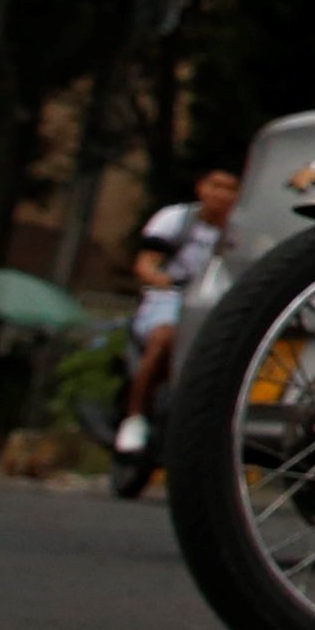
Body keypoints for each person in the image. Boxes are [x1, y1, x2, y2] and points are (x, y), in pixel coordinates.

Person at [110, 168, 238, 467]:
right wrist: (160, 279)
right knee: (164, 337)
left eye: (229, 188)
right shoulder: (175, 220)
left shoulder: (239, 232)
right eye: (215, 186)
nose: (220, 194)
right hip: (170, 297)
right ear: (201, 188)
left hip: (212, 303)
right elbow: (145, 263)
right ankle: (135, 417)